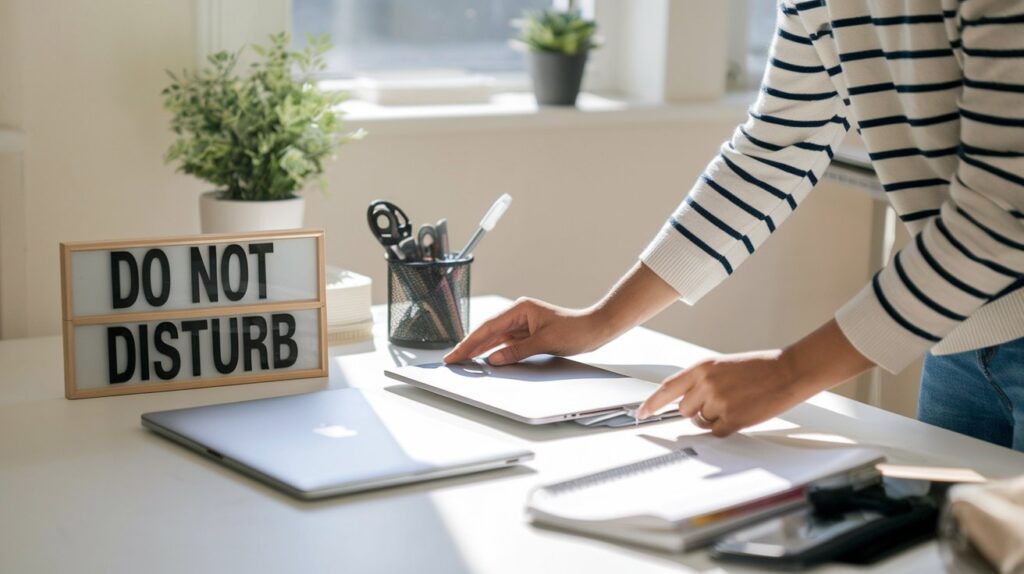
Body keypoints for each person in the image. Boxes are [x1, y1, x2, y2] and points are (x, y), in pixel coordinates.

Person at [444, 0, 1024, 450]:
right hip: (956, 337)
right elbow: (773, 150)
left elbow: (999, 217)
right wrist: (598, 321)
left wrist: (790, 372)